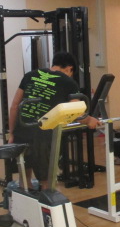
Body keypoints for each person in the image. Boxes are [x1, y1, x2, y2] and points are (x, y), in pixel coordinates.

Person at [8, 52, 99, 187]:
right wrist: (90, 120)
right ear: (70, 69)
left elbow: (14, 106)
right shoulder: (68, 82)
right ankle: (46, 198)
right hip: (43, 133)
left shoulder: (30, 75)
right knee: (46, 181)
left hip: (22, 129)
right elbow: (76, 113)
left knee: (24, 180)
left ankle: (26, 195)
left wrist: (12, 133)